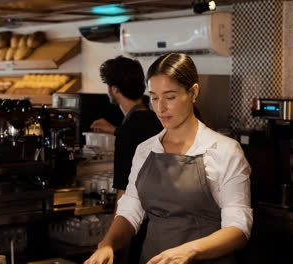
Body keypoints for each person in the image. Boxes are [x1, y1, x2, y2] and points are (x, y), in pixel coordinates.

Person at [84, 53, 252, 264]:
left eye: (170, 97)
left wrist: (191, 250)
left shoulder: (225, 151)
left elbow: (239, 228)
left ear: (193, 92)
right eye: (154, 97)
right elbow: (130, 211)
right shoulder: (145, 150)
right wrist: (108, 244)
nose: (160, 107)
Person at [90, 56, 163, 264]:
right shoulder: (154, 119)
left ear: (114, 90)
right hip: (159, 222)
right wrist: (116, 130)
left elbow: (124, 192)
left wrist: (109, 242)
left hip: (136, 226)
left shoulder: (128, 131)